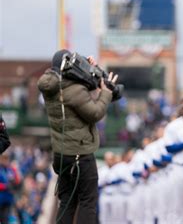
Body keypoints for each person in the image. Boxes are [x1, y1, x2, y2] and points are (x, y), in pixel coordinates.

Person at [37, 49, 118, 224]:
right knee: (88, 201)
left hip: (61, 154)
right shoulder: (73, 89)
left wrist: (90, 68)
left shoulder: (50, 86)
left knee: (67, 201)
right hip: (79, 155)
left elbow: (82, 85)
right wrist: (106, 92)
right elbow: (95, 113)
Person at [0, 153, 21, 224]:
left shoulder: (10, 169)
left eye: (7, 159)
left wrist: (14, 180)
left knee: (6, 218)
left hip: (9, 198)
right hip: (1, 198)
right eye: (4, 159)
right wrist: (5, 186)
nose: (5, 161)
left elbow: (17, 181)